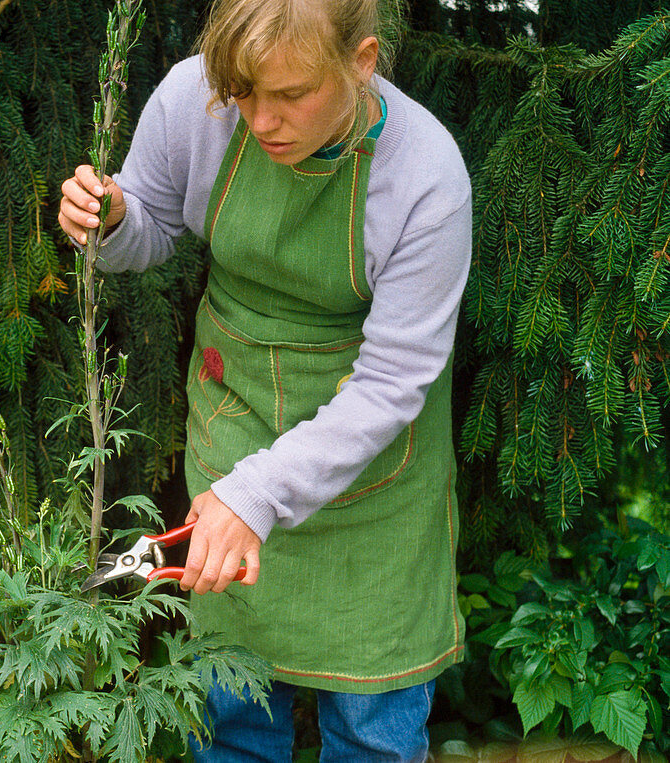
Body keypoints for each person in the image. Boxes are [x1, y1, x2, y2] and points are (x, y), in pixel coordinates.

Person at [59, 0, 471, 759]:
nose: (261, 120)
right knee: (233, 720)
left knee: (373, 738)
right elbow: (148, 225)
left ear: (363, 61)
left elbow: (391, 382)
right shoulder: (196, 97)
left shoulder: (426, 176)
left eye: (291, 96)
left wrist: (258, 496)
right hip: (235, 421)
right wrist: (112, 220)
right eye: (243, 92)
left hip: (373, 483)